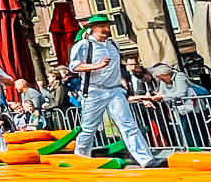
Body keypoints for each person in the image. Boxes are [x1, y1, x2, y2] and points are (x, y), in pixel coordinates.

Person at [66, 13, 158, 166]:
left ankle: (146, 160)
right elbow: (74, 67)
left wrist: (122, 84)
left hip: (115, 90)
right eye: (102, 26)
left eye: (107, 26)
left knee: (128, 124)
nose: (106, 29)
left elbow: (116, 68)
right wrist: (97, 65)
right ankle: (80, 160)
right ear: (93, 29)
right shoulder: (84, 45)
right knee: (88, 129)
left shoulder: (113, 44)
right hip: (94, 91)